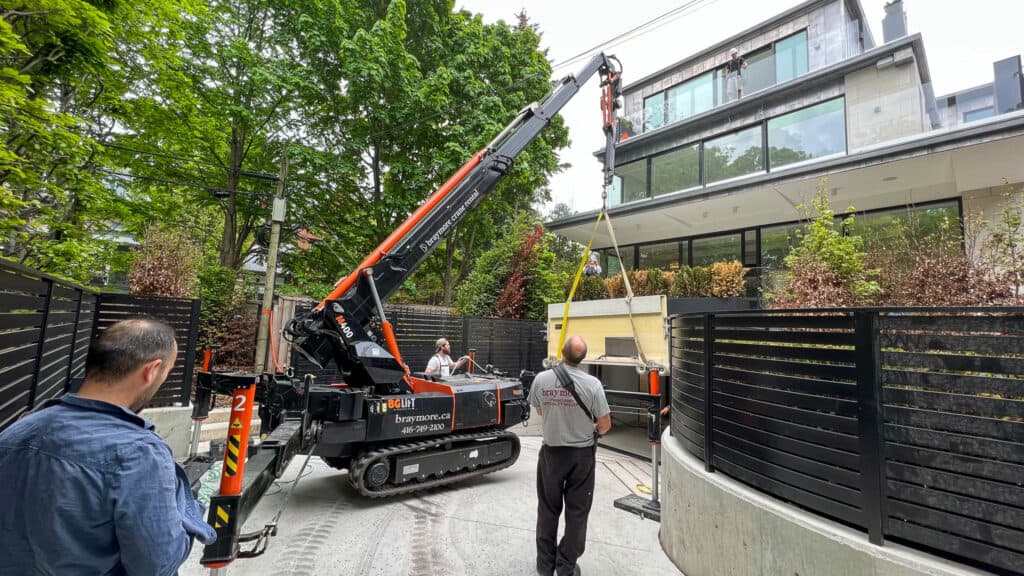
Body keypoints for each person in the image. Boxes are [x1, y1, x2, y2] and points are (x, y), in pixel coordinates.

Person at [0, 318, 216, 575]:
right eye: (167, 371)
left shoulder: (16, 432)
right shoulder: (139, 454)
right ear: (152, 370)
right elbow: (157, 565)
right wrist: (189, 510)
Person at [528, 336, 611, 576]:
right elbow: (605, 424)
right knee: (577, 513)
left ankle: (545, 566)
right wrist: (590, 429)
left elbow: (540, 409)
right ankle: (566, 567)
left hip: (551, 454)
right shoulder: (593, 384)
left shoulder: (541, 379)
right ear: (583, 358)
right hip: (581, 457)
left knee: (547, 509)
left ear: (562, 353)